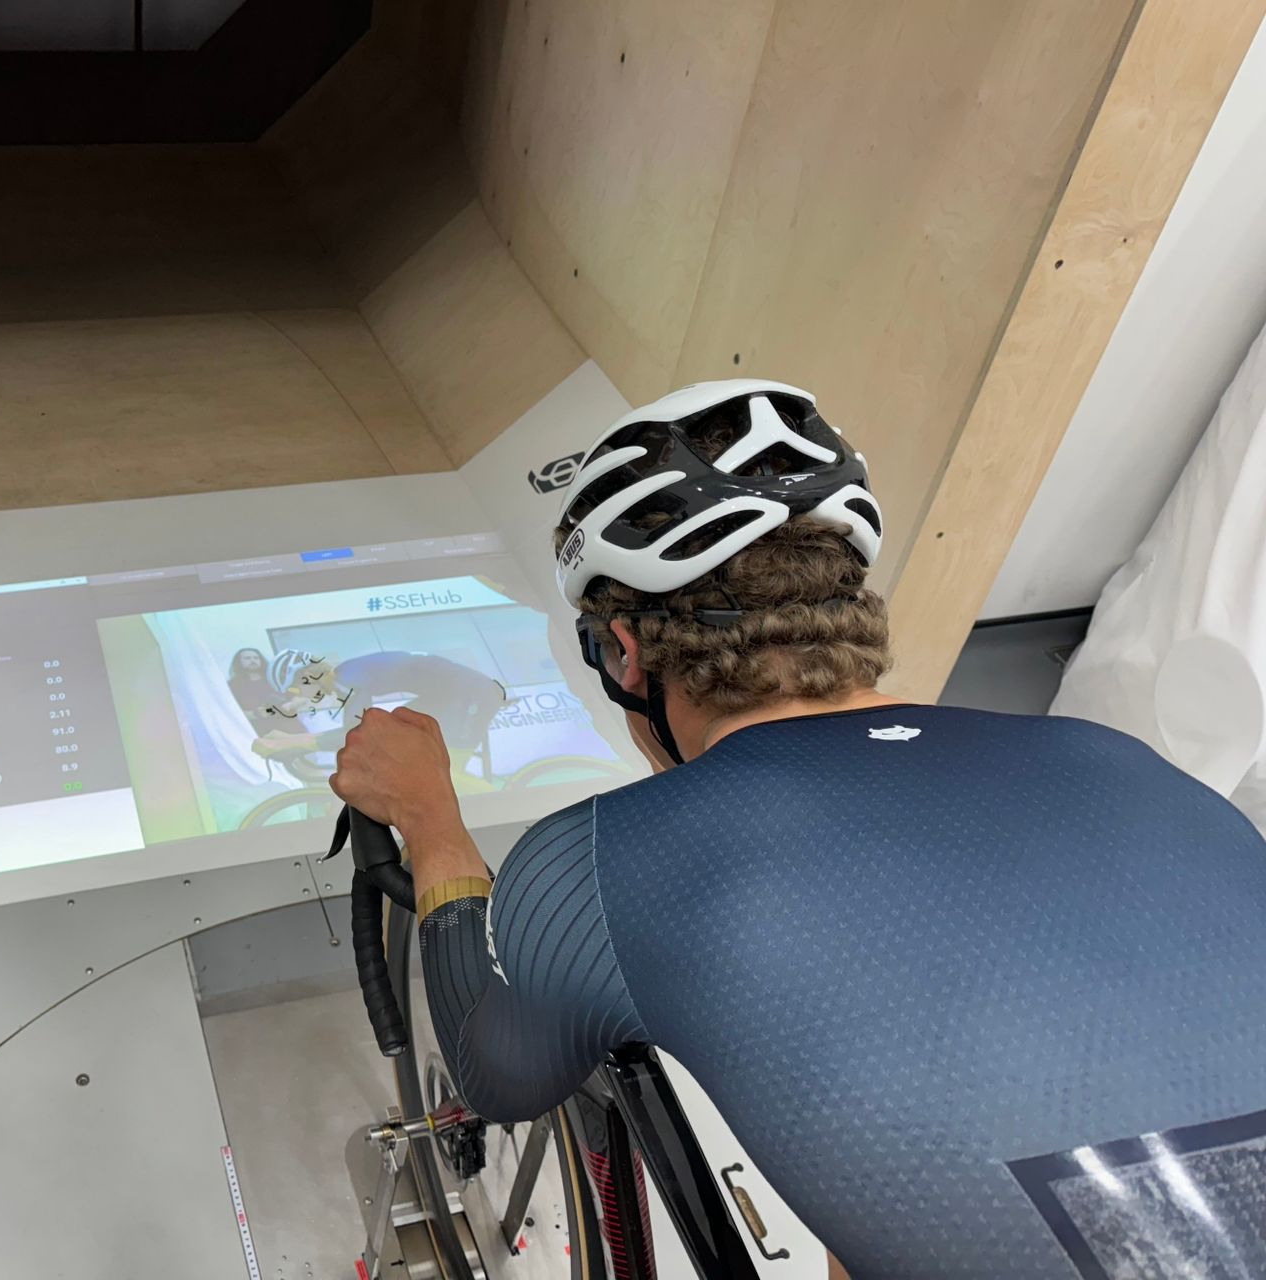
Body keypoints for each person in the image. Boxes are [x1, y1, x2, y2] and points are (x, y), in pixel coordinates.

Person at [329, 379, 1266, 1280]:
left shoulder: (601, 858)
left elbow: (499, 1076)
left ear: (622, 653)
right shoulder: (1108, 757)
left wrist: (432, 822)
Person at [253, 646, 506, 794]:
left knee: (443, 775)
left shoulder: (348, 676)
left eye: (297, 689)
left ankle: (498, 802)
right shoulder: (345, 676)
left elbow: (353, 732)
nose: (300, 695)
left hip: (470, 695)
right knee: (397, 730)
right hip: (448, 695)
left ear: (308, 676)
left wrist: (293, 741)